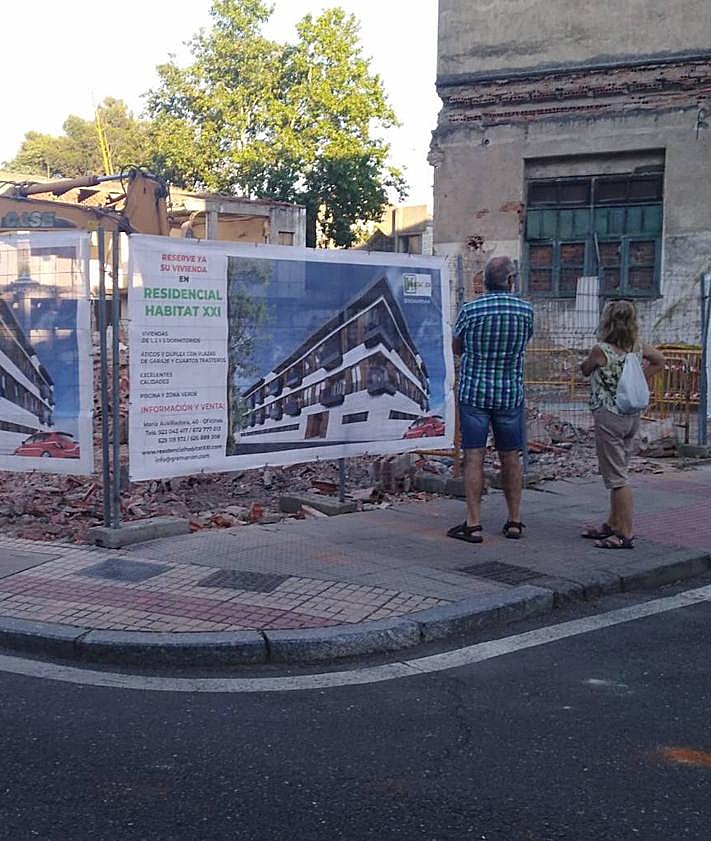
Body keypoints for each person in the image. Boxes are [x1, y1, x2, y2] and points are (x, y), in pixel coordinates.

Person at [448, 256, 534, 544]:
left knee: (473, 456)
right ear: (510, 281)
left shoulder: (470, 310)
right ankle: (514, 520)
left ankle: (473, 523)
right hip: (509, 393)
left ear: (484, 282)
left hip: (474, 393)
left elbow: (457, 346)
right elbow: (524, 342)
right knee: (511, 456)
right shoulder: (525, 312)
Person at [580, 300, 664, 549]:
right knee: (620, 469)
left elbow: (585, 370)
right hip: (631, 415)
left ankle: (625, 534)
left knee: (618, 478)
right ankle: (613, 522)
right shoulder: (637, 347)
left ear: (607, 321)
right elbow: (660, 360)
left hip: (609, 416)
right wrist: (639, 377)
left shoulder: (601, 350)